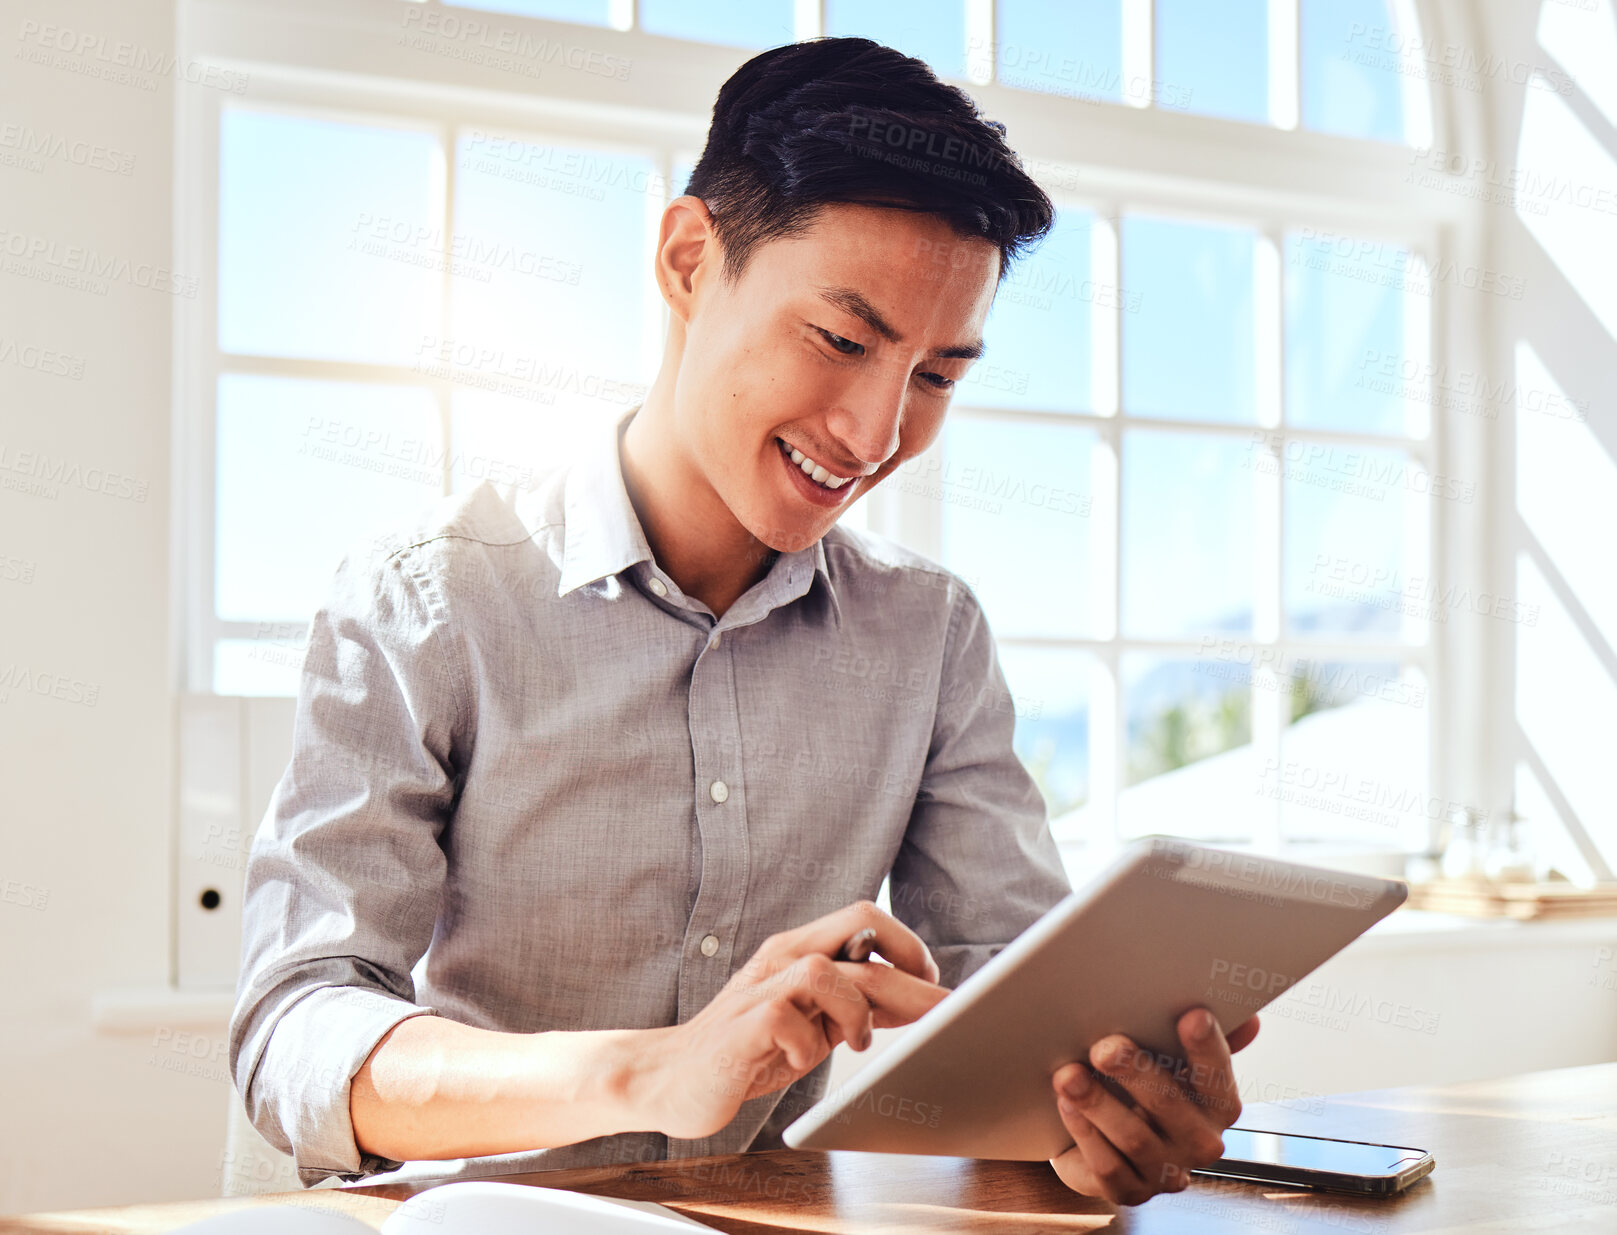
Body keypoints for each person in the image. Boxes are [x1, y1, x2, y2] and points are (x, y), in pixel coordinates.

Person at [227, 34, 1257, 1207]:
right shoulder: (429, 602)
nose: (876, 434)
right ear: (685, 260)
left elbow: (1012, 1011)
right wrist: (651, 1070)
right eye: (841, 339)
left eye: (936, 376)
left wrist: (1085, 1111)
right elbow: (295, 1027)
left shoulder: (931, 639)